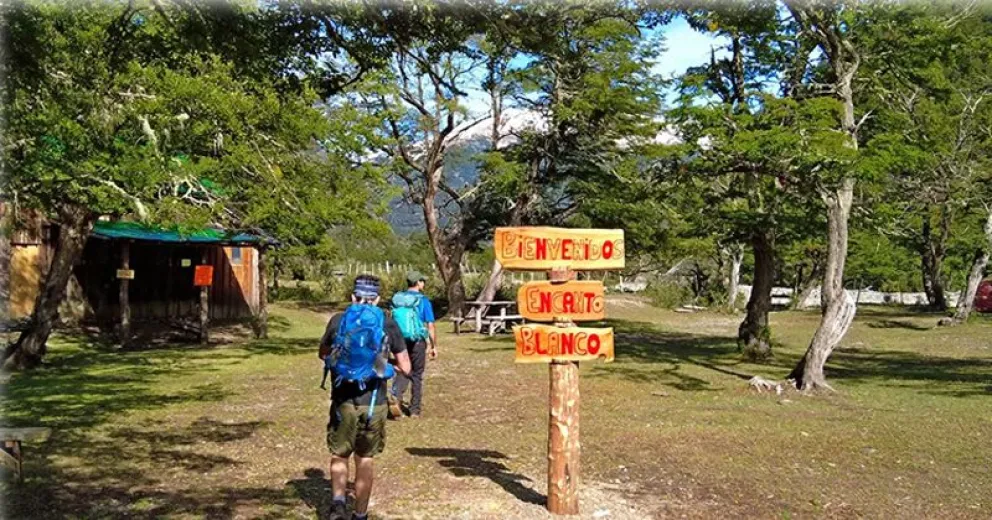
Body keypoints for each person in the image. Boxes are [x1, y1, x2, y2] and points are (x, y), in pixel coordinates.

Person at [319, 274, 411, 520]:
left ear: (353, 296)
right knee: (365, 459)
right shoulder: (388, 323)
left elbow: (323, 353)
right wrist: (382, 361)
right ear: (378, 298)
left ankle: (338, 504)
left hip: (343, 401)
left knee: (340, 455)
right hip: (375, 403)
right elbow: (406, 367)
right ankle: (360, 514)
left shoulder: (339, 320)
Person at [388, 270, 437, 419]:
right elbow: (430, 325)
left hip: (399, 340)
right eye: (423, 281)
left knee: (403, 369)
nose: (424, 284)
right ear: (418, 283)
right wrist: (433, 345)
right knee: (416, 374)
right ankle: (414, 410)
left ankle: (396, 397)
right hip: (417, 341)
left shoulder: (397, 299)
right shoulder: (423, 301)